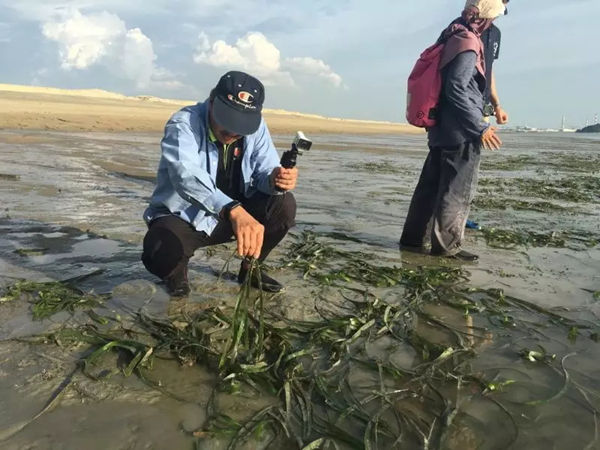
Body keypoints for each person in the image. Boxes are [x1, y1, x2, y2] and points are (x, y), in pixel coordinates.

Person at [141, 71, 298, 296]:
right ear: (213, 101)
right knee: (159, 248)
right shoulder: (183, 123)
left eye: (241, 125)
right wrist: (233, 210)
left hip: (236, 216)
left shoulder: (257, 127)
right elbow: (185, 175)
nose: (233, 131)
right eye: (228, 120)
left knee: (283, 204)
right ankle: (176, 276)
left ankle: (250, 269)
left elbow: (265, 171)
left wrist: (275, 179)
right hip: (187, 218)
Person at [399, 0, 505, 261]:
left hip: (441, 127)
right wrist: (480, 127)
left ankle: (413, 240)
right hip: (461, 129)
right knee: (456, 190)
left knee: (430, 187)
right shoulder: (468, 42)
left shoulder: (452, 32)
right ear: (488, 18)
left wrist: (494, 105)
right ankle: (446, 247)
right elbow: (456, 88)